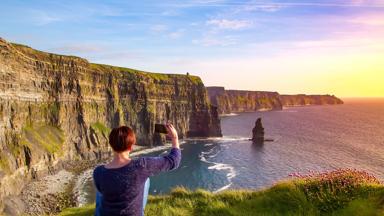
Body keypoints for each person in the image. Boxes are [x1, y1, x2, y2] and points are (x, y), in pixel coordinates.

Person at [93, 123, 181, 216]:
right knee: (145, 179)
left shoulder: (98, 172)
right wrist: (174, 138)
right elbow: (174, 161)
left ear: (111, 145)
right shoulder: (141, 166)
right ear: (131, 147)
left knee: (101, 192)